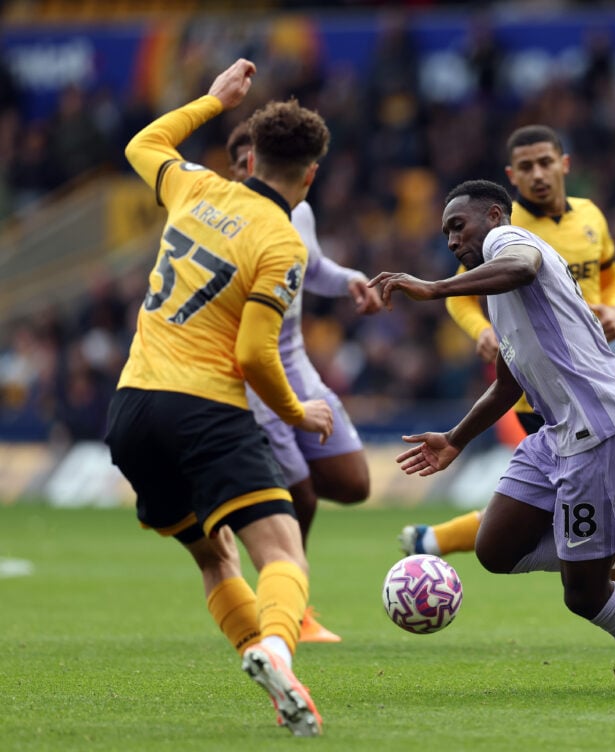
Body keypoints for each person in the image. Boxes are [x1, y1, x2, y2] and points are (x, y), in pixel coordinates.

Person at [370, 179, 615, 690]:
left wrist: (434, 289)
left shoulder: (509, 245)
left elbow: (523, 265)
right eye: (446, 233)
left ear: (495, 215)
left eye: (459, 226)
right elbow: (505, 386)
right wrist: (455, 440)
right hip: (555, 437)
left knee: (583, 593)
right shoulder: (498, 295)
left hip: (601, 431)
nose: (452, 240)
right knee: (495, 549)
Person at [104, 59, 333, 736]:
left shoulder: (196, 187)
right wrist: (298, 413)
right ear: (312, 175)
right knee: (283, 553)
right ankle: (275, 646)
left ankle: (277, 683)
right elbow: (255, 355)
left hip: (130, 407)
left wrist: (209, 100)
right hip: (203, 406)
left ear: (249, 158)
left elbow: (140, 146)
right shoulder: (282, 242)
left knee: (214, 557)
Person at [395, 125, 615, 640]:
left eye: (544, 163)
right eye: (525, 167)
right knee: (542, 539)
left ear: (563, 164)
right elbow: (486, 300)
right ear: (511, 179)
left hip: (588, 397)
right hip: (547, 401)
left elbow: (606, 273)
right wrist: (483, 333)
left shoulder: (579, 220)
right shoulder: (501, 237)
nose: (537, 174)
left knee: (583, 555)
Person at [226, 122, 383, 644]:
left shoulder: (301, 212)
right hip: (251, 370)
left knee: (352, 483)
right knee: (302, 496)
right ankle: (292, 606)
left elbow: (310, 266)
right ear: (240, 169)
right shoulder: (225, 217)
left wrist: (349, 280)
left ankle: (241, 506)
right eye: (245, 164)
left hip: (296, 362)